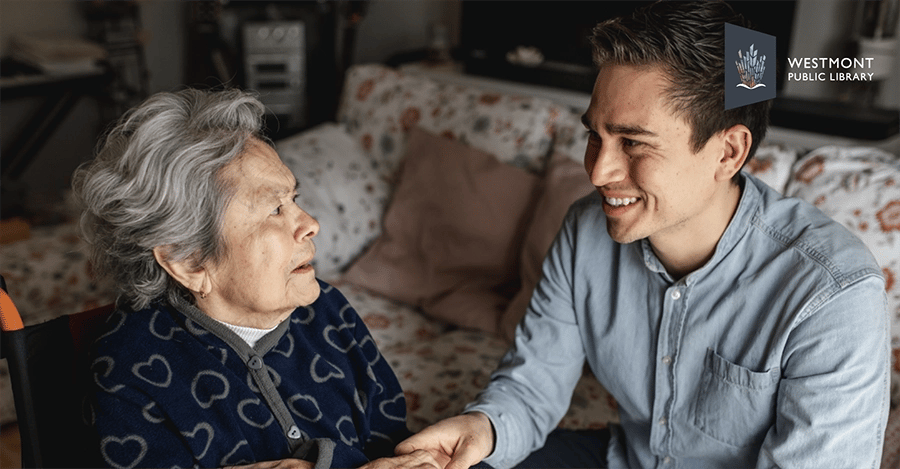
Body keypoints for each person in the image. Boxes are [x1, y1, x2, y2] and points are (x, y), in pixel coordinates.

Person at [396, 1, 890, 467]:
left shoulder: (834, 296)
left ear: (728, 153)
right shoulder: (585, 229)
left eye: (633, 142)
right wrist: (484, 427)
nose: (598, 172)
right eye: (596, 135)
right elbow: (532, 384)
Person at [74, 88, 445, 469]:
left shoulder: (328, 311)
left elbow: (392, 438)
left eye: (295, 200)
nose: (311, 225)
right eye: (275, 209)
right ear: (189, 263)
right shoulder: (131, 372)